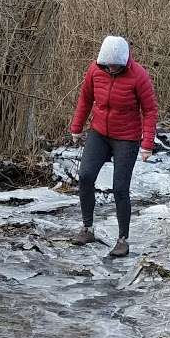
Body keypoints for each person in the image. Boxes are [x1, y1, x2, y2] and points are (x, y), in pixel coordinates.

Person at [70, 35, 159, 258]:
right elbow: (85, 99)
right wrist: (77, 126)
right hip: (99, 132)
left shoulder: (138, 76)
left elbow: (149, 111)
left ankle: (122, 240)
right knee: (86, 176)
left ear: (123, 61)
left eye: (115, 66)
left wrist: (147, 144)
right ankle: (87, 228)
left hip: (127, 138)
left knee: (119, 188)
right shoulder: (94, 71)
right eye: (107, 65)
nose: (111, 68)